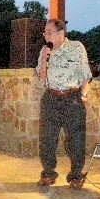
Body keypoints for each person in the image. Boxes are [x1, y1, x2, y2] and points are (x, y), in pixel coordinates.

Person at [36, 19, 92, 188]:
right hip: (51, 97)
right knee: (47, 139)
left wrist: (82, 95)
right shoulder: (45, 50)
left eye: (49, 32)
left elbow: (86, 75)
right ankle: (48, 174)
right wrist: (46, 59)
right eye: (44, 32)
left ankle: (76, 176)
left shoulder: (76, 47)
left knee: (75, 140)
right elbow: (42, 78)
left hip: (72, 98)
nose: (46, 35)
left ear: (61, 33)